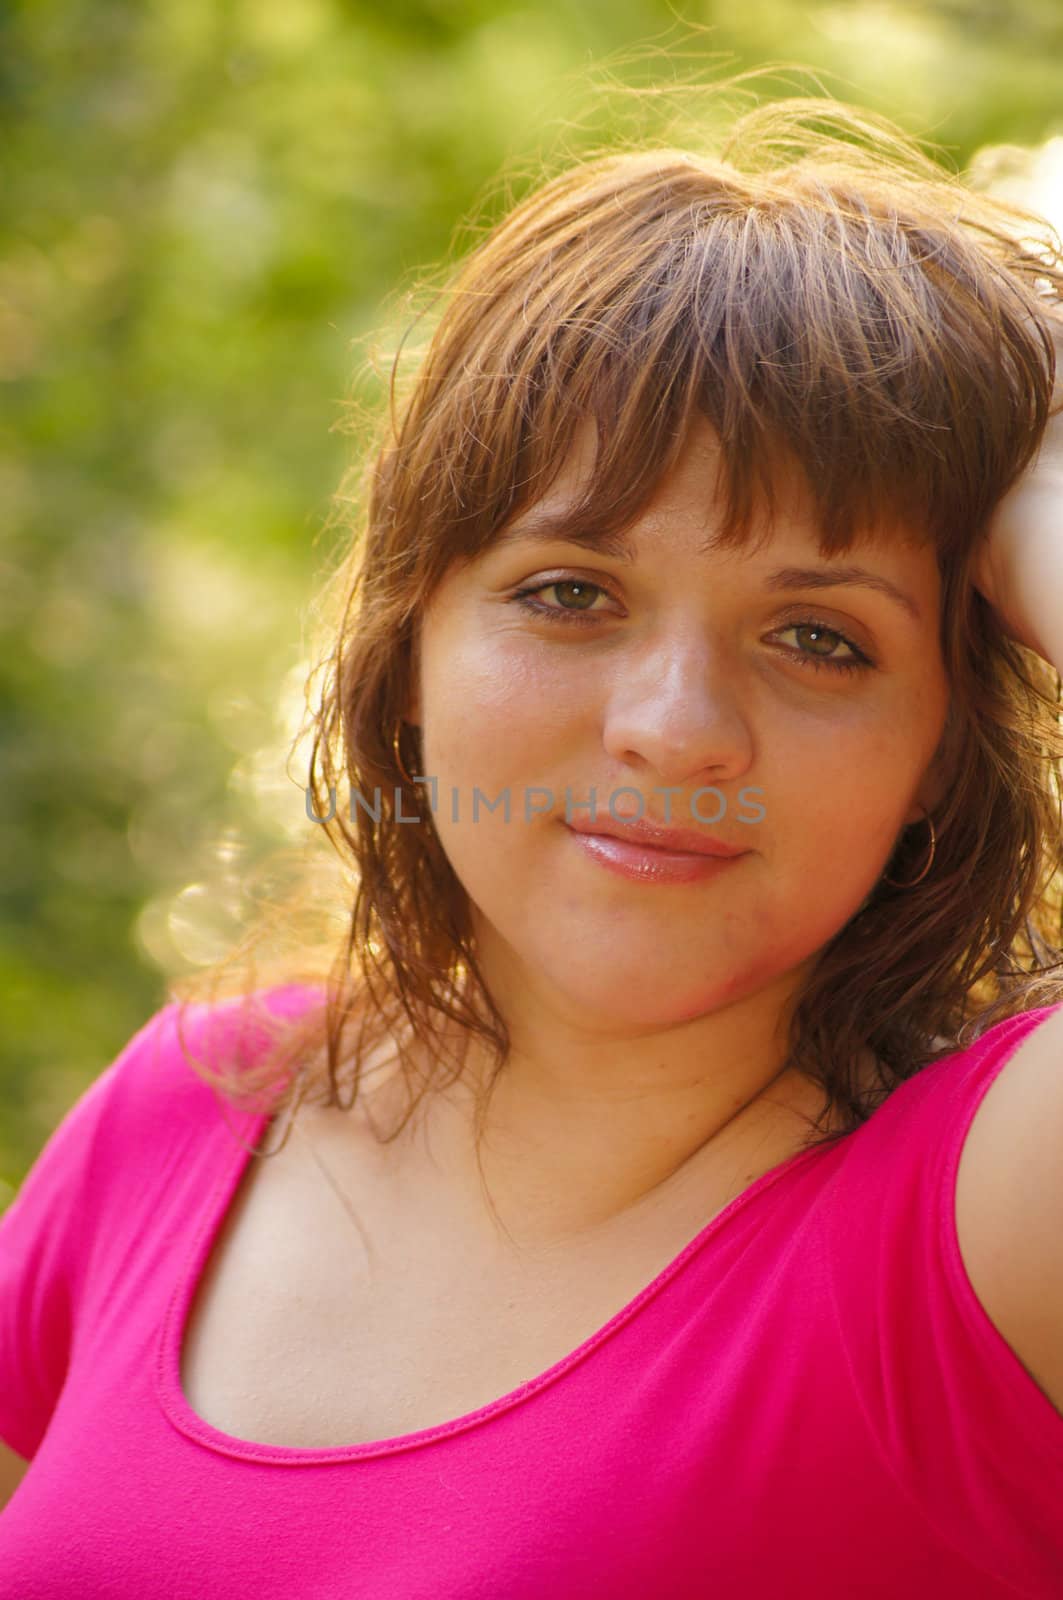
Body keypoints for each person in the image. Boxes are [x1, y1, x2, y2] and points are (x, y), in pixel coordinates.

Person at [2, 85, 1063, 1597]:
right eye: (571, 592)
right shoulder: (190, 1108)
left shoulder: (991, 1226)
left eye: (821, 637)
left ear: (942, 758)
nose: (674, 728)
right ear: (412, 654)